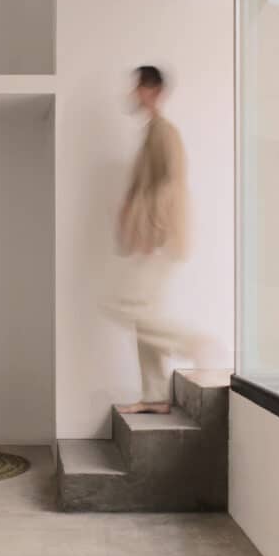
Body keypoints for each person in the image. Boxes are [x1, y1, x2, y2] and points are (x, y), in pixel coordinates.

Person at [103, 65, 193, 414]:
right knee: (143, 314)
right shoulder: (151, 132)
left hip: (161, 238)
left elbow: (172, 183)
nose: (132, 93)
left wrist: (152, 231)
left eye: (137, 87)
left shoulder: (165, 133)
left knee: (124, 305)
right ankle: (156, 397)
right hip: (155, 236)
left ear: (152, 90)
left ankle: (193, 343)